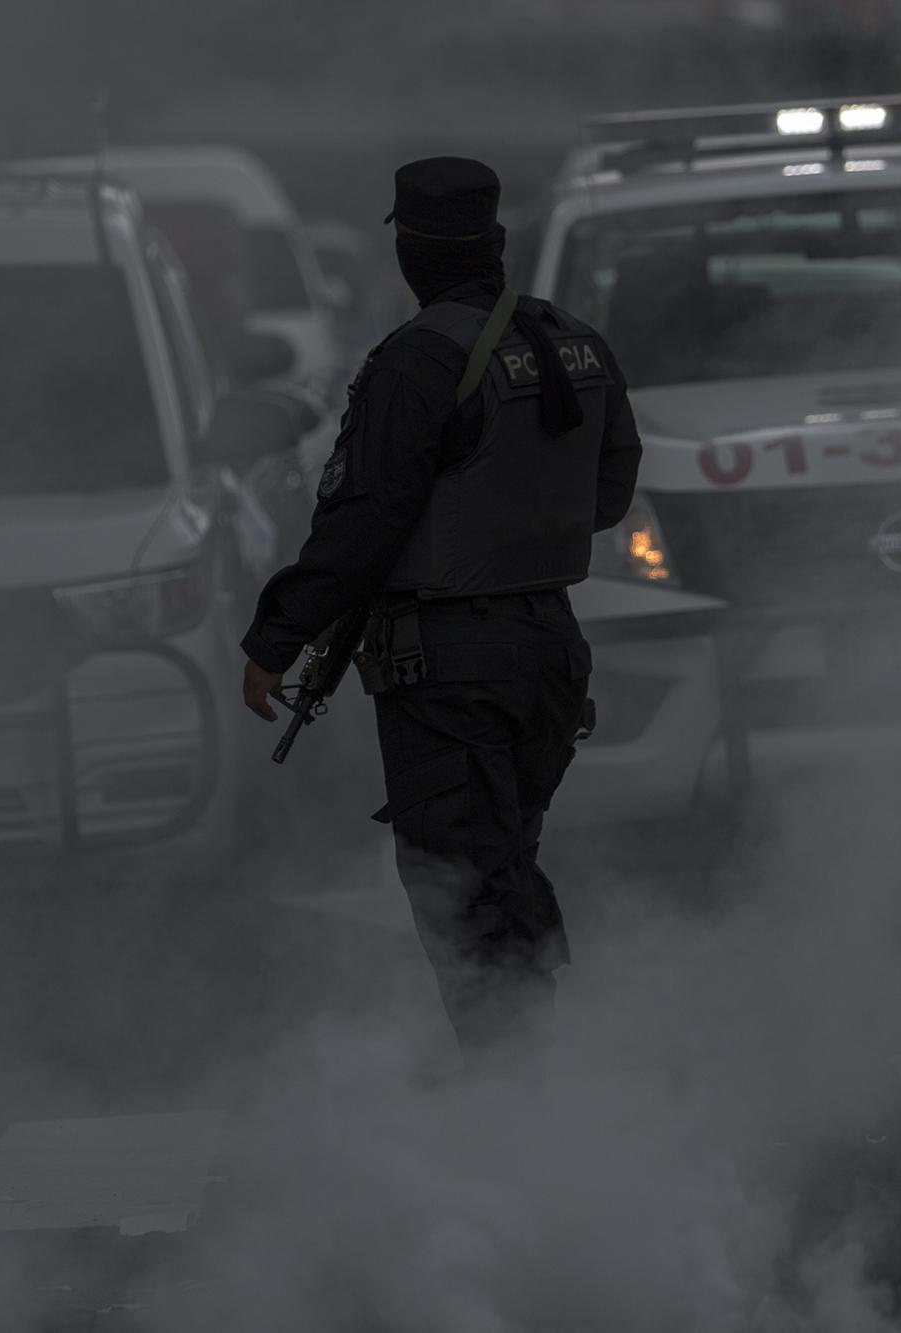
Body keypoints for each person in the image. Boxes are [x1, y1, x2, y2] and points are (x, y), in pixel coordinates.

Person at [239, 156, 643, 1070]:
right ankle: (536, 1063)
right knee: (502, 867)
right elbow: (609, 495)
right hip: (548, 653)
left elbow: (363, 522)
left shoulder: (417, 361)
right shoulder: (576, 340)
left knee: (462, 893)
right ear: (494, 245)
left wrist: (276, 637)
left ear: (411, 252)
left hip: (450, 664)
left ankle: (516, 1093)